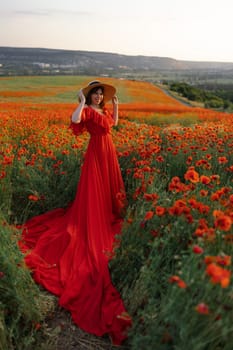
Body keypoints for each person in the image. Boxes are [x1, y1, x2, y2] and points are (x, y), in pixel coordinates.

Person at [19, 80, 132, 345]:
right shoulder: (87, 110)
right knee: (93, 195)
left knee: (108, 192)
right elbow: (75, 119)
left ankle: (107, 213)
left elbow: (112, 126)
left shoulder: (102, 112)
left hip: (108, 152)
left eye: (100, 94)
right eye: (95, 93)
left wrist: (116, 108)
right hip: (96, 154)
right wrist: (80, 102)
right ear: (89, 96)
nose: (99, 96)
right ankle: (94, 219)